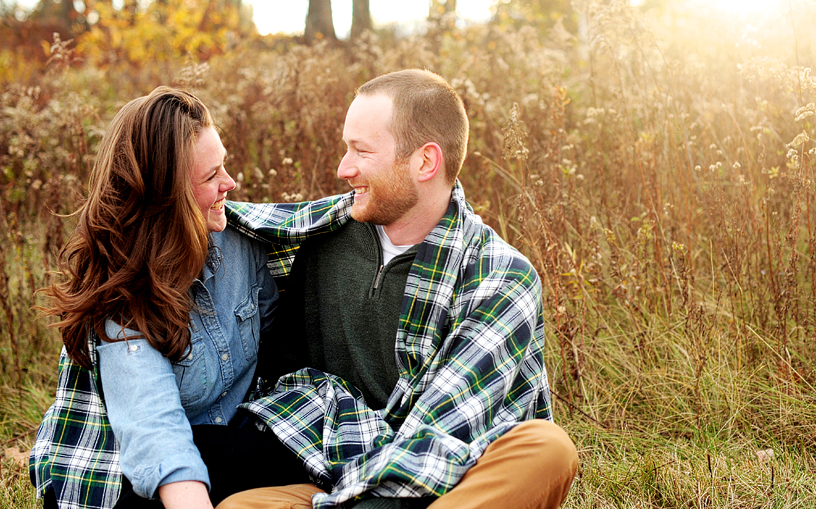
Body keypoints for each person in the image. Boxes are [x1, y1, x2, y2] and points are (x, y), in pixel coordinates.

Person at [222, 69, 580, 509]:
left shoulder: (500, 277)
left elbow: (442, 435)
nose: (342, 168)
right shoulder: (320, 239)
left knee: (547, 449)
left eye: (361, 150)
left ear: (425, 162)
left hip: (449, 478)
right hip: (335, 473)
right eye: (344, 147)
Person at [29, 87, 309, 509]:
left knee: (296, 456)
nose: (230, 183)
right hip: (123, 464)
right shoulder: (124, 299)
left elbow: (278, 338)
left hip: (226, 437)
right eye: (211, 176)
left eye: (224, 166)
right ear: (167, 199)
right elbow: (154, 430)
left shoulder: (242, 245)